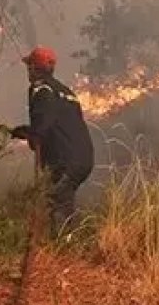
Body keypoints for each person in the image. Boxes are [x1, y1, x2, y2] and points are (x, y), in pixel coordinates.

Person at [8, 46, 94, 236]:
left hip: (65, 160)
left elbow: (44, 123)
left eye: (29, 66)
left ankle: (66, 250)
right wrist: (29, 132)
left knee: (56, 203)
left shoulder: (41, 88)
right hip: (82, 158)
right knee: (62, 200)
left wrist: (32, 133)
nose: (27, 71)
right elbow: (57, 121)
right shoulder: (65, 91)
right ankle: (69, 246)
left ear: (33, 68)